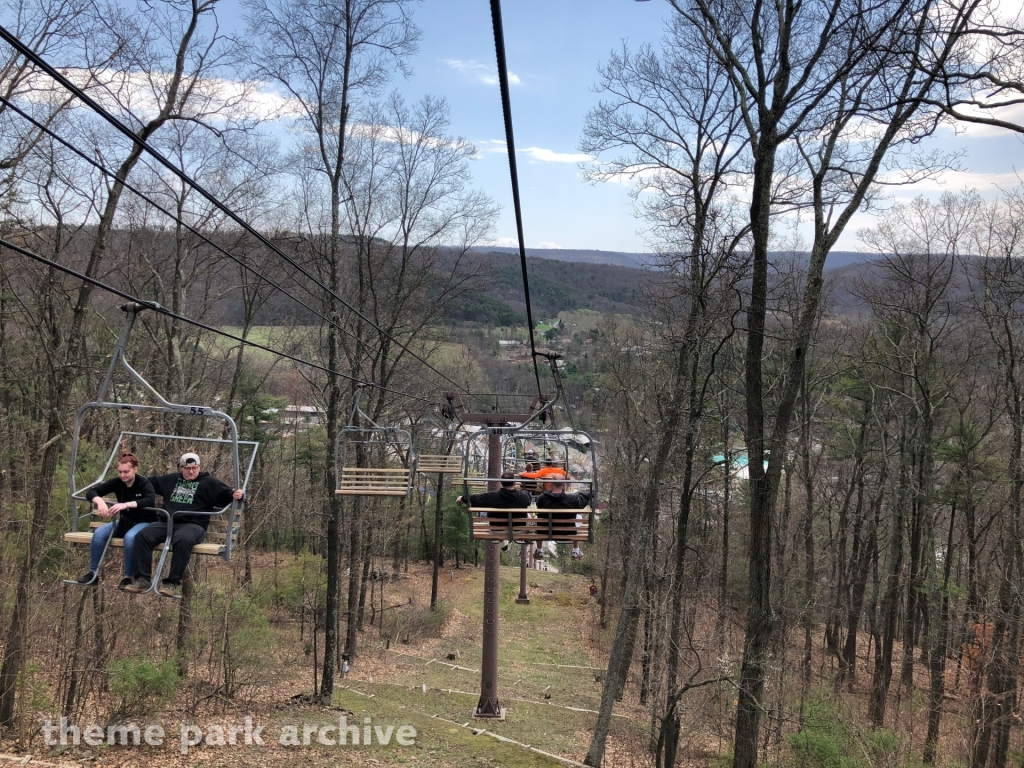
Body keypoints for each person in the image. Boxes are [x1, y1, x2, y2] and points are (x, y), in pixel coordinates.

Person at [126, 452, 243, 597]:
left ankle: (172, 583)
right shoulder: (170, 480)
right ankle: (142, 579)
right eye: (187, 468)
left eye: (194, 468)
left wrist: (237, 495)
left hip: (193, 525)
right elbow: (145, 483)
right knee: (143, 536)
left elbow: (227, 495)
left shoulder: (209, 483)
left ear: (199, 467)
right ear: (181, 468)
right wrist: (123, 479)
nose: (191, 471)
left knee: (183, 540)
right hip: (167, 522)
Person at [77, 452, 157, 589]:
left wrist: (126, 505)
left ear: (135, 469)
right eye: (120, 472)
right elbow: (91, 492)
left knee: (130, 538)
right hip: (125, 522)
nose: (123, 475)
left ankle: (128, 577)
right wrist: (99, 501)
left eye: (126, 472)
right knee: (99, 534)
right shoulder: (118, 483)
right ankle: (93, 573)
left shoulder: (143, 483)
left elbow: (149, 499)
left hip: (144, 522)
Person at [456, 472, 531, 533]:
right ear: (514, 483)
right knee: (529, 515)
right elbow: (529, 501)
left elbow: (476, 499)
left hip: (497, 530)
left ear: (501, 483)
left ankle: (501, 540)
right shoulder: (524, 495)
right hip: (519, 530)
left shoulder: (492, 496)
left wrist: (462, 498)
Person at [536, 481, 592, 552]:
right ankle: (576, 550)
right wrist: (589, 492)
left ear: (551, 485)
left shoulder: (542, 498)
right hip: (568, 532)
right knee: (578, 517)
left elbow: (538, 504)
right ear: (564, 485)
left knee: (537, 518)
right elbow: (582, 500)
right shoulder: (571, 499)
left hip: (546, 532)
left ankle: (539, 550)